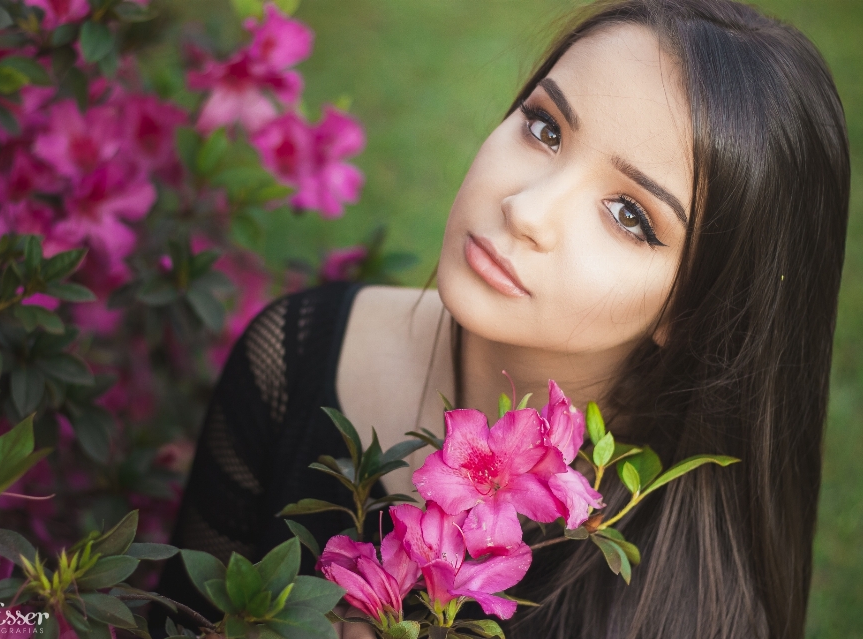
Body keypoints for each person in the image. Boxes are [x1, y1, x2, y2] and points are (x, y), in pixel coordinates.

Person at [149, 0, 850, 637]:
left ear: (698, 313)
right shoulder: (296, 351)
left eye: (631, 216)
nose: (527, 208)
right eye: (544, 127)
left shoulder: (691, 602)